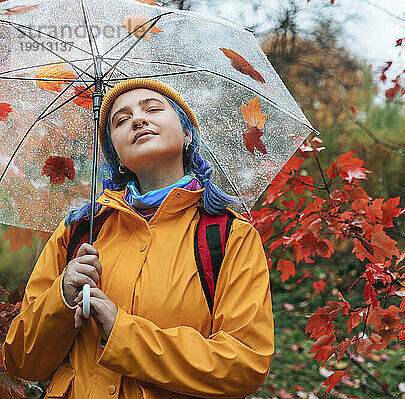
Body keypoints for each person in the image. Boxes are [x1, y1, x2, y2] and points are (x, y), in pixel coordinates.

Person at [1, 78, 275, 398]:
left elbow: (245, 365)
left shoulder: (229, 236)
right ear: (115, 152)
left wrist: (122, 332)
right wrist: (61, 298)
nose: (137, 119)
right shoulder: (78, 231)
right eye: (121, 120)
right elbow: (22, 363)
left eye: (153, 109)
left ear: (187, 134)